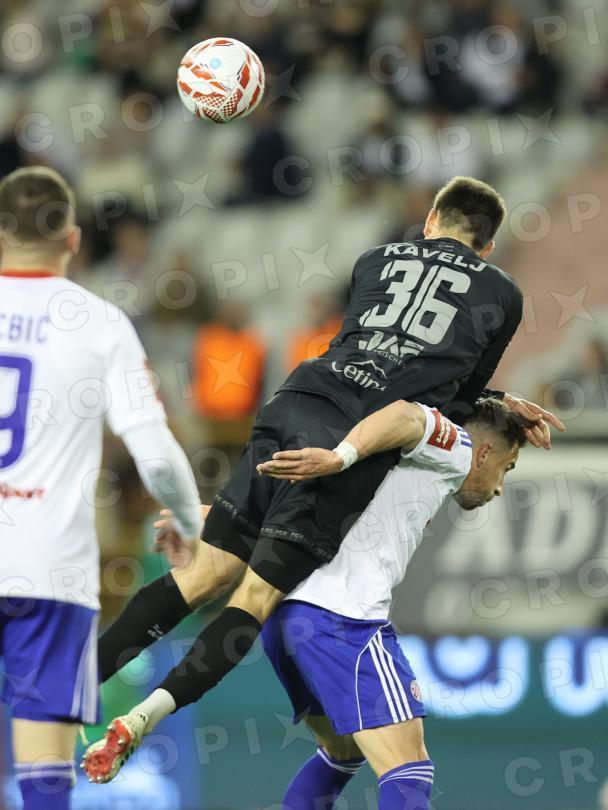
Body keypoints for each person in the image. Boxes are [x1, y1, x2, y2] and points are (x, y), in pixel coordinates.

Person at [83, 175, 564, 782]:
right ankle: (143, 716)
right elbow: (451, 399)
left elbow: (371, 342)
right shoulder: (503, 292)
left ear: (430, 221)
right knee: (253, 599)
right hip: (349, 431)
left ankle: (72, 683)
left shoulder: (375, 258)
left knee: (202, 573)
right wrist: (494, 402)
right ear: (488, 247)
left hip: (297, 396)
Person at [86, 394, 526, 809]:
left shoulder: (392, 453)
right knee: (409, 769)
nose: (500, 486)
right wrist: (344, 456)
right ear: (484, 452)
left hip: (284, 613)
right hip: (344, 619)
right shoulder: (450, 446)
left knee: (342, 751)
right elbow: (406, 412)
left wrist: (223, 520)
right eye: (506, 467)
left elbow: (312, 506)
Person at [0, 166, 203, 810]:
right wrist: (191, 525)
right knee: (43, 768)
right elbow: (155, 453)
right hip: (48, 568)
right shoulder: (97, 322)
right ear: (73, 239)